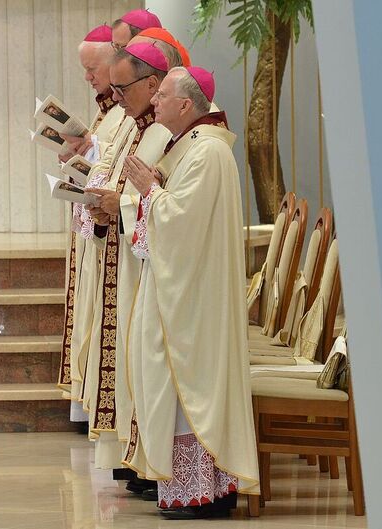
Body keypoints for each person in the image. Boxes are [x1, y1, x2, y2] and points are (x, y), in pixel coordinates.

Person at [122, 66, 260, 519]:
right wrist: (155, 190)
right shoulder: (192, 148)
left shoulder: (207, 155)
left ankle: (201, 492)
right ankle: (194, 488)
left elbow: (182, 224)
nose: (154, 101)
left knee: (188, 385)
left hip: (195, 297)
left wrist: (150, 191)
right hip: (186, 288)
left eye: (161, 95)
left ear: (185, 104)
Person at [81, 42, 172, 496]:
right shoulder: (136, 126)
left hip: (149, 269)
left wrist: (124, 206)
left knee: (145, 365)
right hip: (126, 256)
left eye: (122, 87)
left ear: (153, 83)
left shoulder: (168, 133)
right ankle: (135, 454)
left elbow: (169, 200)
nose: (115, 97)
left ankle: (149, 458)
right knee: (130, 361)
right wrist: (105, 209)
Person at [57, 24, 127, 434]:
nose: (89, 78)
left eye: (92, 68)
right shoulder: (112, 110)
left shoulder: (128, 113)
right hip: (103, 230)